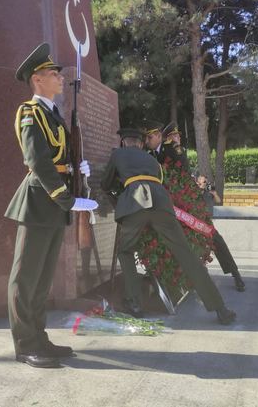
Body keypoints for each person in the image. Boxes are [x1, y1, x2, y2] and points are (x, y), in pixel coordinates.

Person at [5, 42, 98, 369]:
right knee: (25, 277)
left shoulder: (54, 114)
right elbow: (39, 162)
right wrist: (66, 198)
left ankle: (39, 337)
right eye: (53, 74)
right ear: (37, 80)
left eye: (59, 74)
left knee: (43, 278)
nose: (60, 79)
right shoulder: (30, 113)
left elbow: (60, 159)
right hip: (39, 200)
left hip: (55, 203)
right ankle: (25, 344)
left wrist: (77, 169)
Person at [101, 127, 237, 325]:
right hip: (162, 204)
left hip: (135, 204)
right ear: (140, 144)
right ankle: (220, 309)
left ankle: (135, 303)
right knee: (186, 254)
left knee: (125, 250)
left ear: (123, 142)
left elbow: (105, 184)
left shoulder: (118, 154)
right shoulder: (152, 161)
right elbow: (159, 181)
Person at [196, 175, 245, 291]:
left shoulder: (209, 194)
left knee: (222, 247)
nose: (204, 184)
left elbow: (218, 201)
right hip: (195, 226)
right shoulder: (192, 194)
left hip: (208, 226)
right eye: (202, 182)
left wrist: (214, 193)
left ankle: (236, 276)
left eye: (205, 182)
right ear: (197, 183)